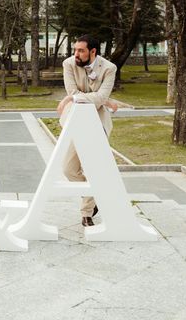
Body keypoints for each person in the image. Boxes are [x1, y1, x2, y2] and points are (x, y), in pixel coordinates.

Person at [57, 34, 118, 227]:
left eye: (81, 50)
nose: (76, 53)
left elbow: (99, 98)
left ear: (92, 51)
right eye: (75, 49)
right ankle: (93, 196)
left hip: (97, 123)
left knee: (93, 168)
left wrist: (100, 99)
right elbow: (73, 93)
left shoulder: (109, 68)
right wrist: (100, 98)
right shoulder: (68, 64)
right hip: (74, 121)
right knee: (69, 169)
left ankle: (86, 213)